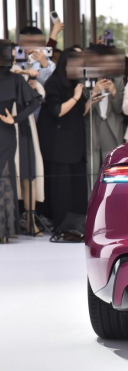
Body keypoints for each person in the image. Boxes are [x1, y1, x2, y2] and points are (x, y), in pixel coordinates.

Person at [38, 47, 104, 229]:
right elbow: (57, 111)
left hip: (75, 143)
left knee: (77, 185)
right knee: (62, 188)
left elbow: (79, 112)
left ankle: (79, 226)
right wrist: (76, 97)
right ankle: (63, 226)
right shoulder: (53, 83)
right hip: (59, 145)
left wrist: (91, 99)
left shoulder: (75, 83)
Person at [0, 42, 43, 244]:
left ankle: (6, 230)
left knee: (5, 177)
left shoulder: (16, 78)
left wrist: (15, 119)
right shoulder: (15, 79)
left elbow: (36, 101)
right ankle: (6, 231)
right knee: (5, 178)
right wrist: (15, 120)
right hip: (7, 131)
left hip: (6, 132)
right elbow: (35, 101)